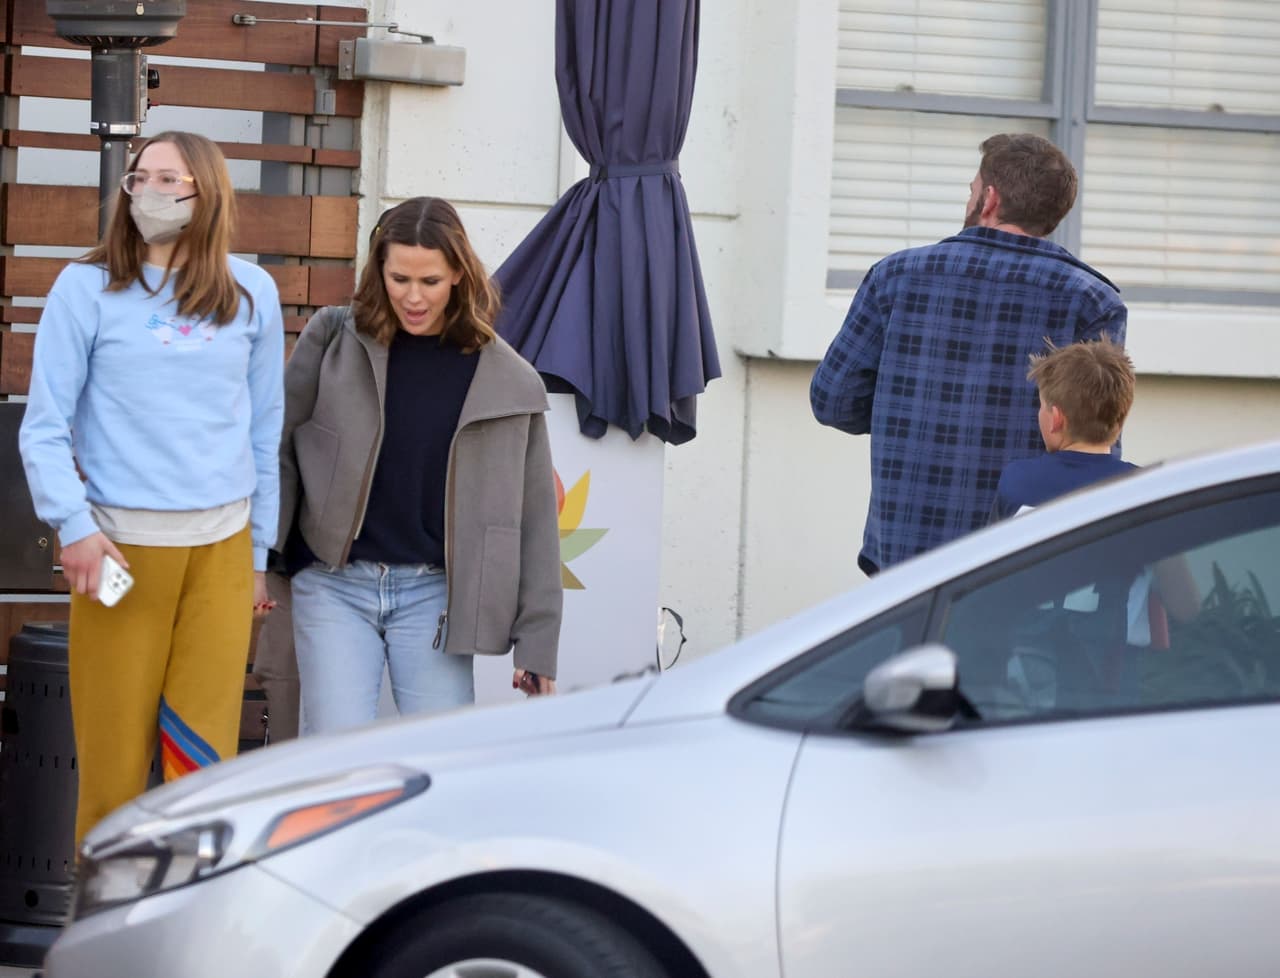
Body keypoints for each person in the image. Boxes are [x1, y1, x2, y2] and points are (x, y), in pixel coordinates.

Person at [19, 131, 285, 843]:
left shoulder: (253, 292)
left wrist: (258, 556)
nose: (151, 193)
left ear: (208, 193)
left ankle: (186, 933)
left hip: (221, 557)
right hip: (119, 557)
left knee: (202, 765)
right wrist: (72, 527)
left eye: (171, 180)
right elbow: (43, 427)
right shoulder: (85, 288)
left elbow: (265, 433)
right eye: (140, 178)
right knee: (111, 767)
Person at [277, 196, 562, 735]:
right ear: (378, 269)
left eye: (429, 281)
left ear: (458, 273)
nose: (412, 296)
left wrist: (538, 643)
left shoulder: (508, 380)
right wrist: (261, 561)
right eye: (398, 277)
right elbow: (281, 450)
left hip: (436, 597)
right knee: (334, 762)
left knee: (442, 758)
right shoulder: (334, 340)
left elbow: (535, 520)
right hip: (335, 583)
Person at [810, 132, 1128, 576]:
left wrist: (905, 413)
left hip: (905, 559)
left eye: (973, 190)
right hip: (1020, 565)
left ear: (990, 199)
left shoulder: (894, 277)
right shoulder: (1092, 300)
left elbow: (833, 403)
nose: (972, 198)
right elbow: (1094, 446)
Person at [990, 337, 1137, 519]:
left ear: (1057, 419)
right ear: (1122, 416)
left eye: (1042, 406)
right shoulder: (1143, 487)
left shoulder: (1017, 480)